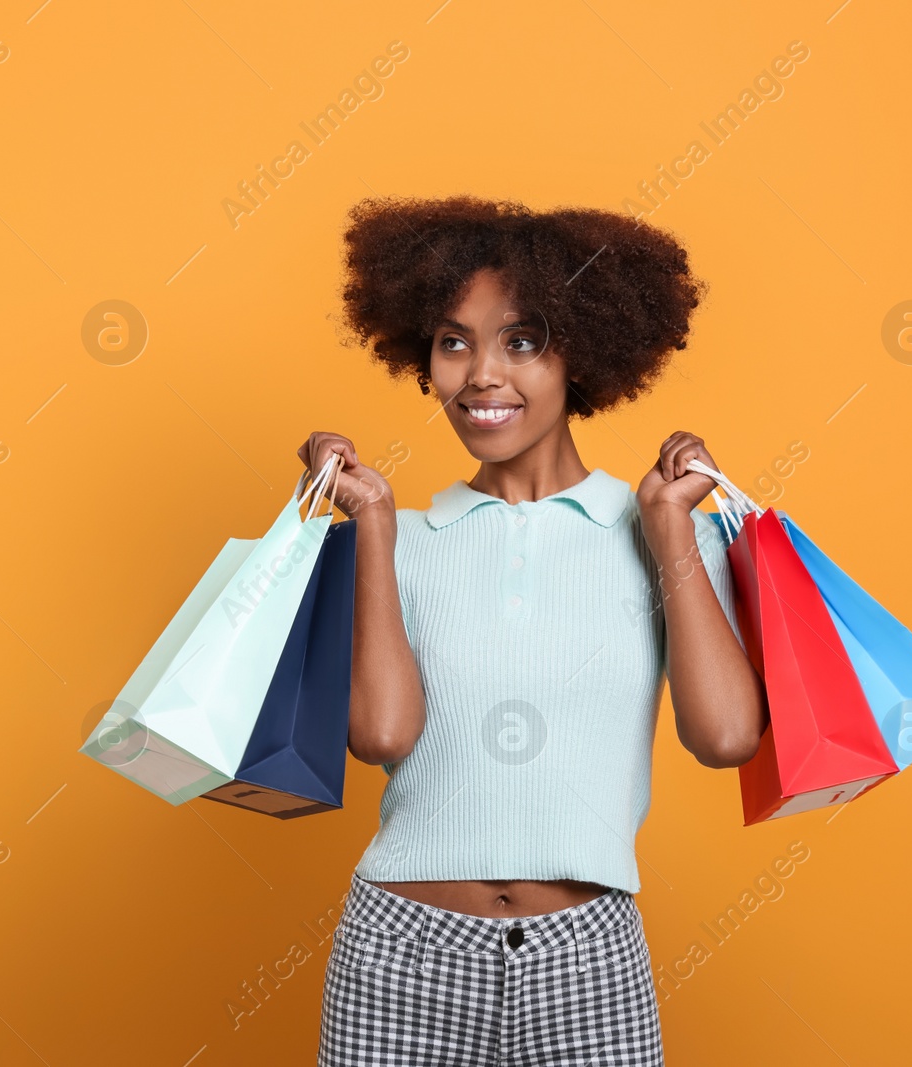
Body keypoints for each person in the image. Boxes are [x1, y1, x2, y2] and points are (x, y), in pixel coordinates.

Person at [297, 196, 766, 1066]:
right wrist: (372, 526)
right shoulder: (404, 539)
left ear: (580, 351)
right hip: (399, 959)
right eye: (453, 341)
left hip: (587, 962)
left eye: (520, 340)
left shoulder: (665, 529)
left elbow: (729, 735)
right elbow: (382, 733)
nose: (482, 373)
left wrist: (668, 533)